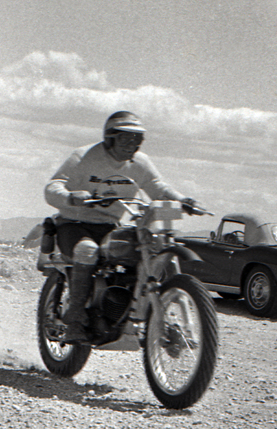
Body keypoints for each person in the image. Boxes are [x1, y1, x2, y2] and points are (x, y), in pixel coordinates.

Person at [44, 110, 197, 342]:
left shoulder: (140, 163)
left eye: (138, 139)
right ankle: (74, 319)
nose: (133, 144)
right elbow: (53, 186)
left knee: (138, 250)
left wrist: (181, 199)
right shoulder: (84, 156)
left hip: (110, 225)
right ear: (110, 137)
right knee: (88, 250)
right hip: (74, 224)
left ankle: (125, 311)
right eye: (126, 138)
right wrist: (71, 197)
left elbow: (158, 187)